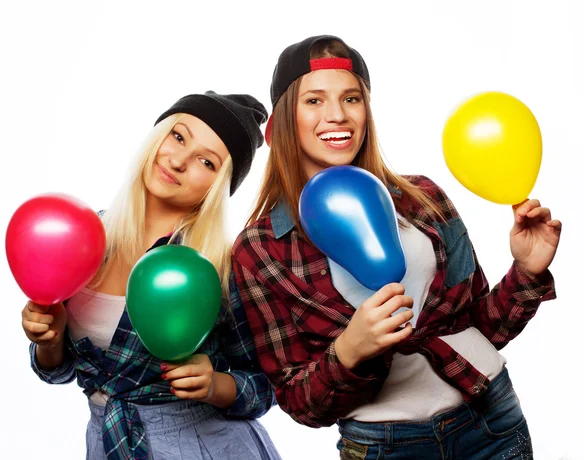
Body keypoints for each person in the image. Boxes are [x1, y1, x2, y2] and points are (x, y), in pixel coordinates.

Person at [232, 35, 562, 459]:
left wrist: (527, 273)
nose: (337, 115)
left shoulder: (424, 198)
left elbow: (484, 327)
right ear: (283, 119)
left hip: (491, 422)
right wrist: (350, 349)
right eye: (314, 101)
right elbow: (299, 403)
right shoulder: (258, 251)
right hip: (385, 448)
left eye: (351, 98)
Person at [22, 91, 281, 460]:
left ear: (218, 187)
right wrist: (48, 338)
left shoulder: (218, 268)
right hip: (106, 439)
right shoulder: (82, 240)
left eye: (206, 162)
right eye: (178, 137)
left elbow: (267, 385)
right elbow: (58, 372)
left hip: (205, 444)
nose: (177, 161)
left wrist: (216, 385)